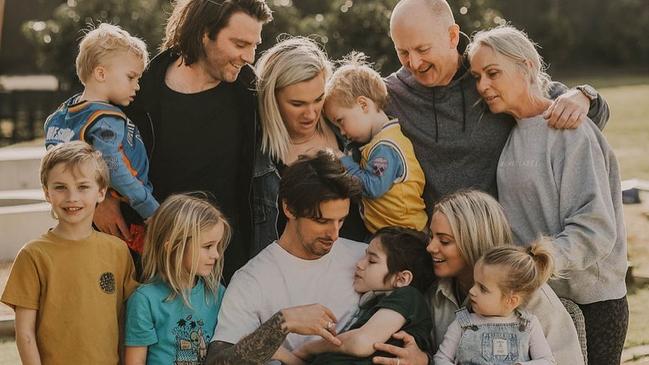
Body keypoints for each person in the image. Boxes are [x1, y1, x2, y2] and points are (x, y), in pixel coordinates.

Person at [467, 25, 628, 365]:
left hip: (592, 303)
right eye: (477, 76)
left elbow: (595, 227)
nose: (482, 86)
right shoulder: (511, 136)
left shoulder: (570, 130)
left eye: (493, 73)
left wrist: (535, 262)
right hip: (542, 301)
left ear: (526, 67)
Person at [94, 0, 273, 282]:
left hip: (224, 265)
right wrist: (99, 201)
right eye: (240, 44)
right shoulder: (140, 87)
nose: (250, 56)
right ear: (204, 32)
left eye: (255, 45)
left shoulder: (250, 91)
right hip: (151, 260)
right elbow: (78, 132)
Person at [385, 0, 610, 211]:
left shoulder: (487, 75)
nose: (413, 63)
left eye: (423, 49)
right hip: (437, 246)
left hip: (505, 241)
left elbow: (587, 113)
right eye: (403, 52)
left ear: (452, 36)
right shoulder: (390, 94)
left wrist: (585, 95)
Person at [372, 190, 584, 365]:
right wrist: (423, 360)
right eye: (431, 236)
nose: (430, 247)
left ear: (474, 243)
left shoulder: (531, 296)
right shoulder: (435, 294)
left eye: (444, 241)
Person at [205, 150, 366, 364]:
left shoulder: (366, 259)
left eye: (341, 220)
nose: (334, 234)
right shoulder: (252, 280)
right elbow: (218, 362)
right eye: (321, 221)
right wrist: (282, 322)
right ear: (288, 208)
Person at [1, 141, 138, 364]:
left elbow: (125, 320)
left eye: (83, 187)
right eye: (60, 187)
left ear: (101, 193)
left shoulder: (117, 251)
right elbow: (24, 333)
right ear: (47, 193)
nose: (71, 197)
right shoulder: (33, 255)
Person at [43, 23, 156, 256]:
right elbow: (115, 168)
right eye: (131, 77)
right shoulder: (105, 119)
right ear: (101, 73)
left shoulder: (60, 117)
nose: (137, 86)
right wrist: (149, 208)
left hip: (79, 215)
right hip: (126, 210)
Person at [254, 36, 368, 246]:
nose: (311, 113)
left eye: (318, 99)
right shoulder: (258, 157)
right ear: (272, 98)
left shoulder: (348, 132)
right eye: (297, 104)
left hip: (358, 268)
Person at [293, 227, 434, 365]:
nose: (359, 264)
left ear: (401, 279)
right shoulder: (373, 303)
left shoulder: (409, 296)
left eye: (372, 261)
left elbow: (361, 342)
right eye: (364, 256)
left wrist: (308, 349)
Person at [323, 52, 427, 234]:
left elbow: (373, 187)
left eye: (341, 121)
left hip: (405, 237)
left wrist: (344, 163)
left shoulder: (386, 147)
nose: (342, 132)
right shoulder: (380, 142)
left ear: (363, 105)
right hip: (389, 234)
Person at [125, 193, 231, 365]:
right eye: (208, 246)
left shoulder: (218, 294)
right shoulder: (145, 300)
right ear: (173, 246)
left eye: (218, 246)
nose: (216, 254)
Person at [434, 242, 557, 364]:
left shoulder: (528, 325)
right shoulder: (462, 323)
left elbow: (547, 361)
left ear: (511, 301)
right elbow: (441, 358)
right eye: (474, 283)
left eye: (483, 288)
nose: (471, 291)